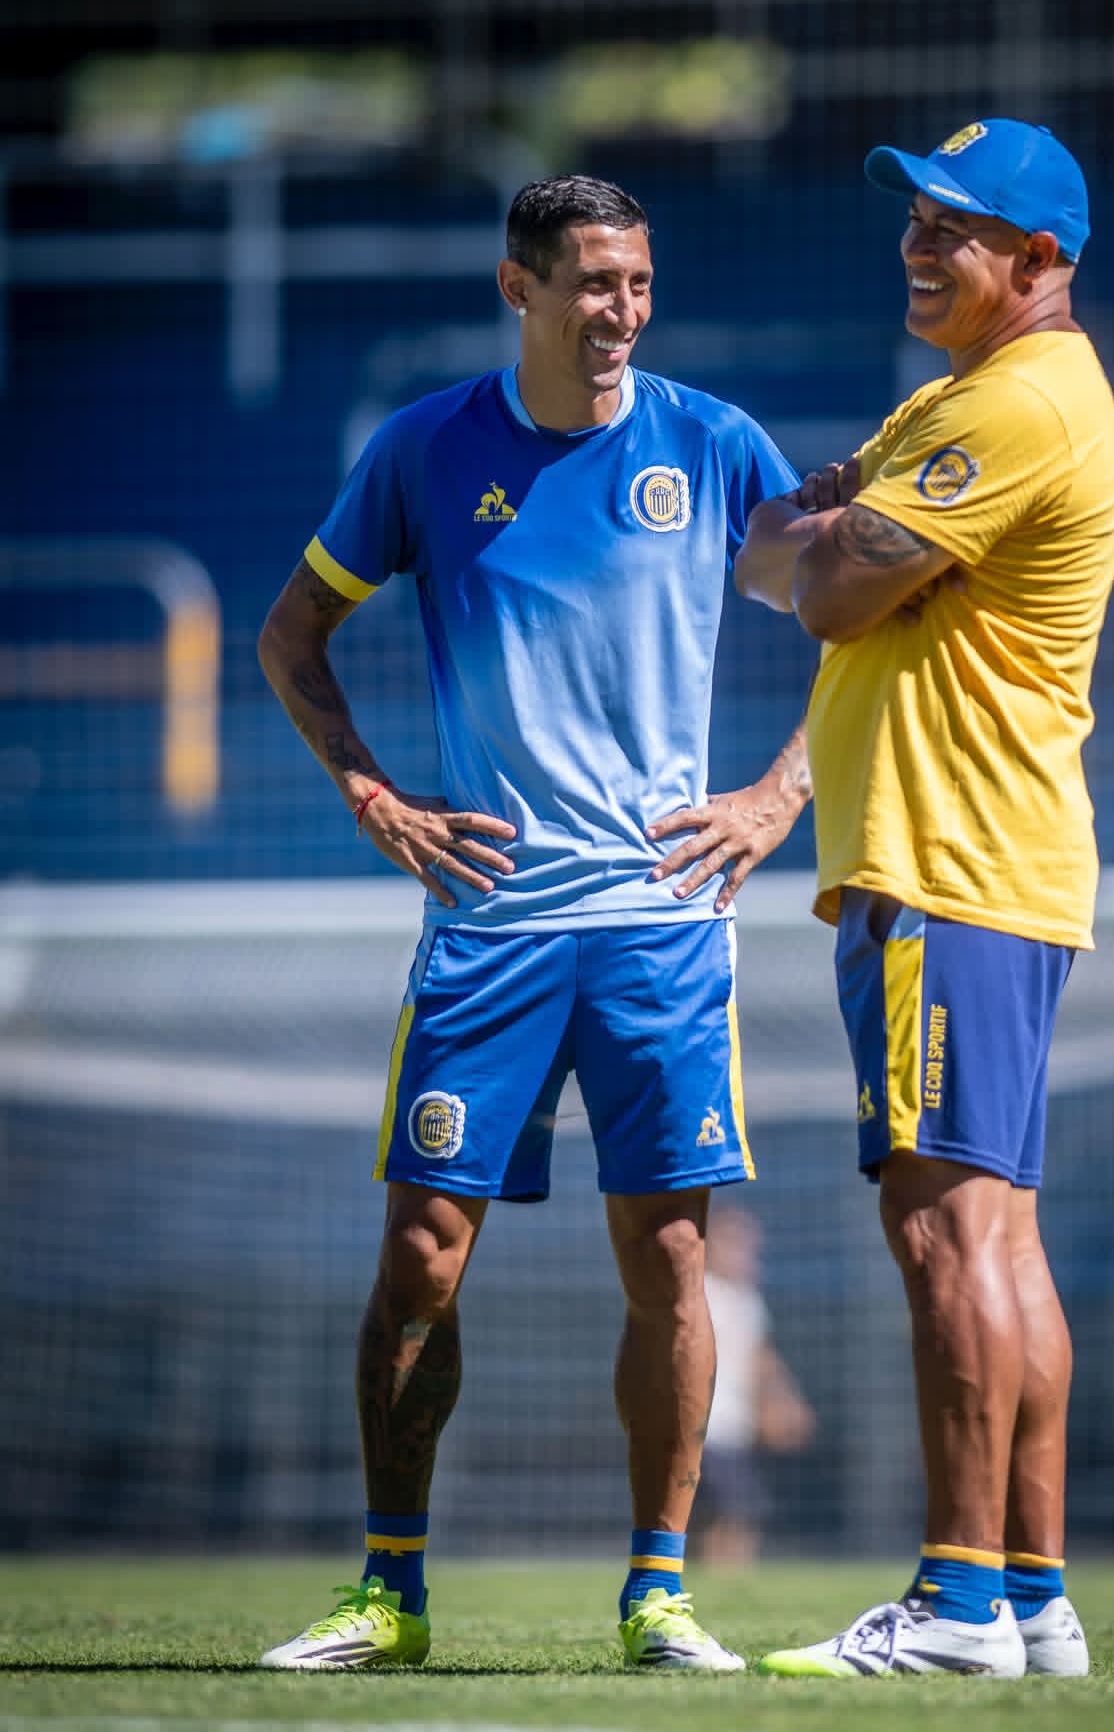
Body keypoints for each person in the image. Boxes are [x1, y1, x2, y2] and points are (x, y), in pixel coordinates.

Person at [254, 174, 812, 1674]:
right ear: (520, 287)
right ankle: (390, 1591)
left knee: (675, 1262)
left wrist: (777, 795)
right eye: (593, 283)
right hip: (490, 927)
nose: (623, 311)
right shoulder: (425, 449)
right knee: (421, 1256)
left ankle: (659, 1595)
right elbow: (292, 633)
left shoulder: (714, 445)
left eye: (640, 282)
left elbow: (863, 616)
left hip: (662, 929)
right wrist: (373, 794)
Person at [733, 119, 1114, 1680]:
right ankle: (1032, 1600)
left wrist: (823, 536)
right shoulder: (968, 396)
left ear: (1040, 260)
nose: (916, 243)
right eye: (912, 216)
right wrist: (822, 536)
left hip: (950, 860)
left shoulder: (1013, 403)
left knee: (945, 1237)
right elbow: (791, 554)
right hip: (986, 865)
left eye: (953, 226)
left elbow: (818, 585)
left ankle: (958, 1604)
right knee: (1000, 1238)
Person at [691, 1201, 816, 1566]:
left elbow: (761, 1358)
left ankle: (722, 1575)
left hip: (733, 1427)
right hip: (703, 1425)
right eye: (732, 1244)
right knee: (735, 1508)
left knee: (735, 1509)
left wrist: (783, 1402)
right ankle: (722, 1575)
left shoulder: (746, 1300)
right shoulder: (699, 1294)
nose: (743, 1255)